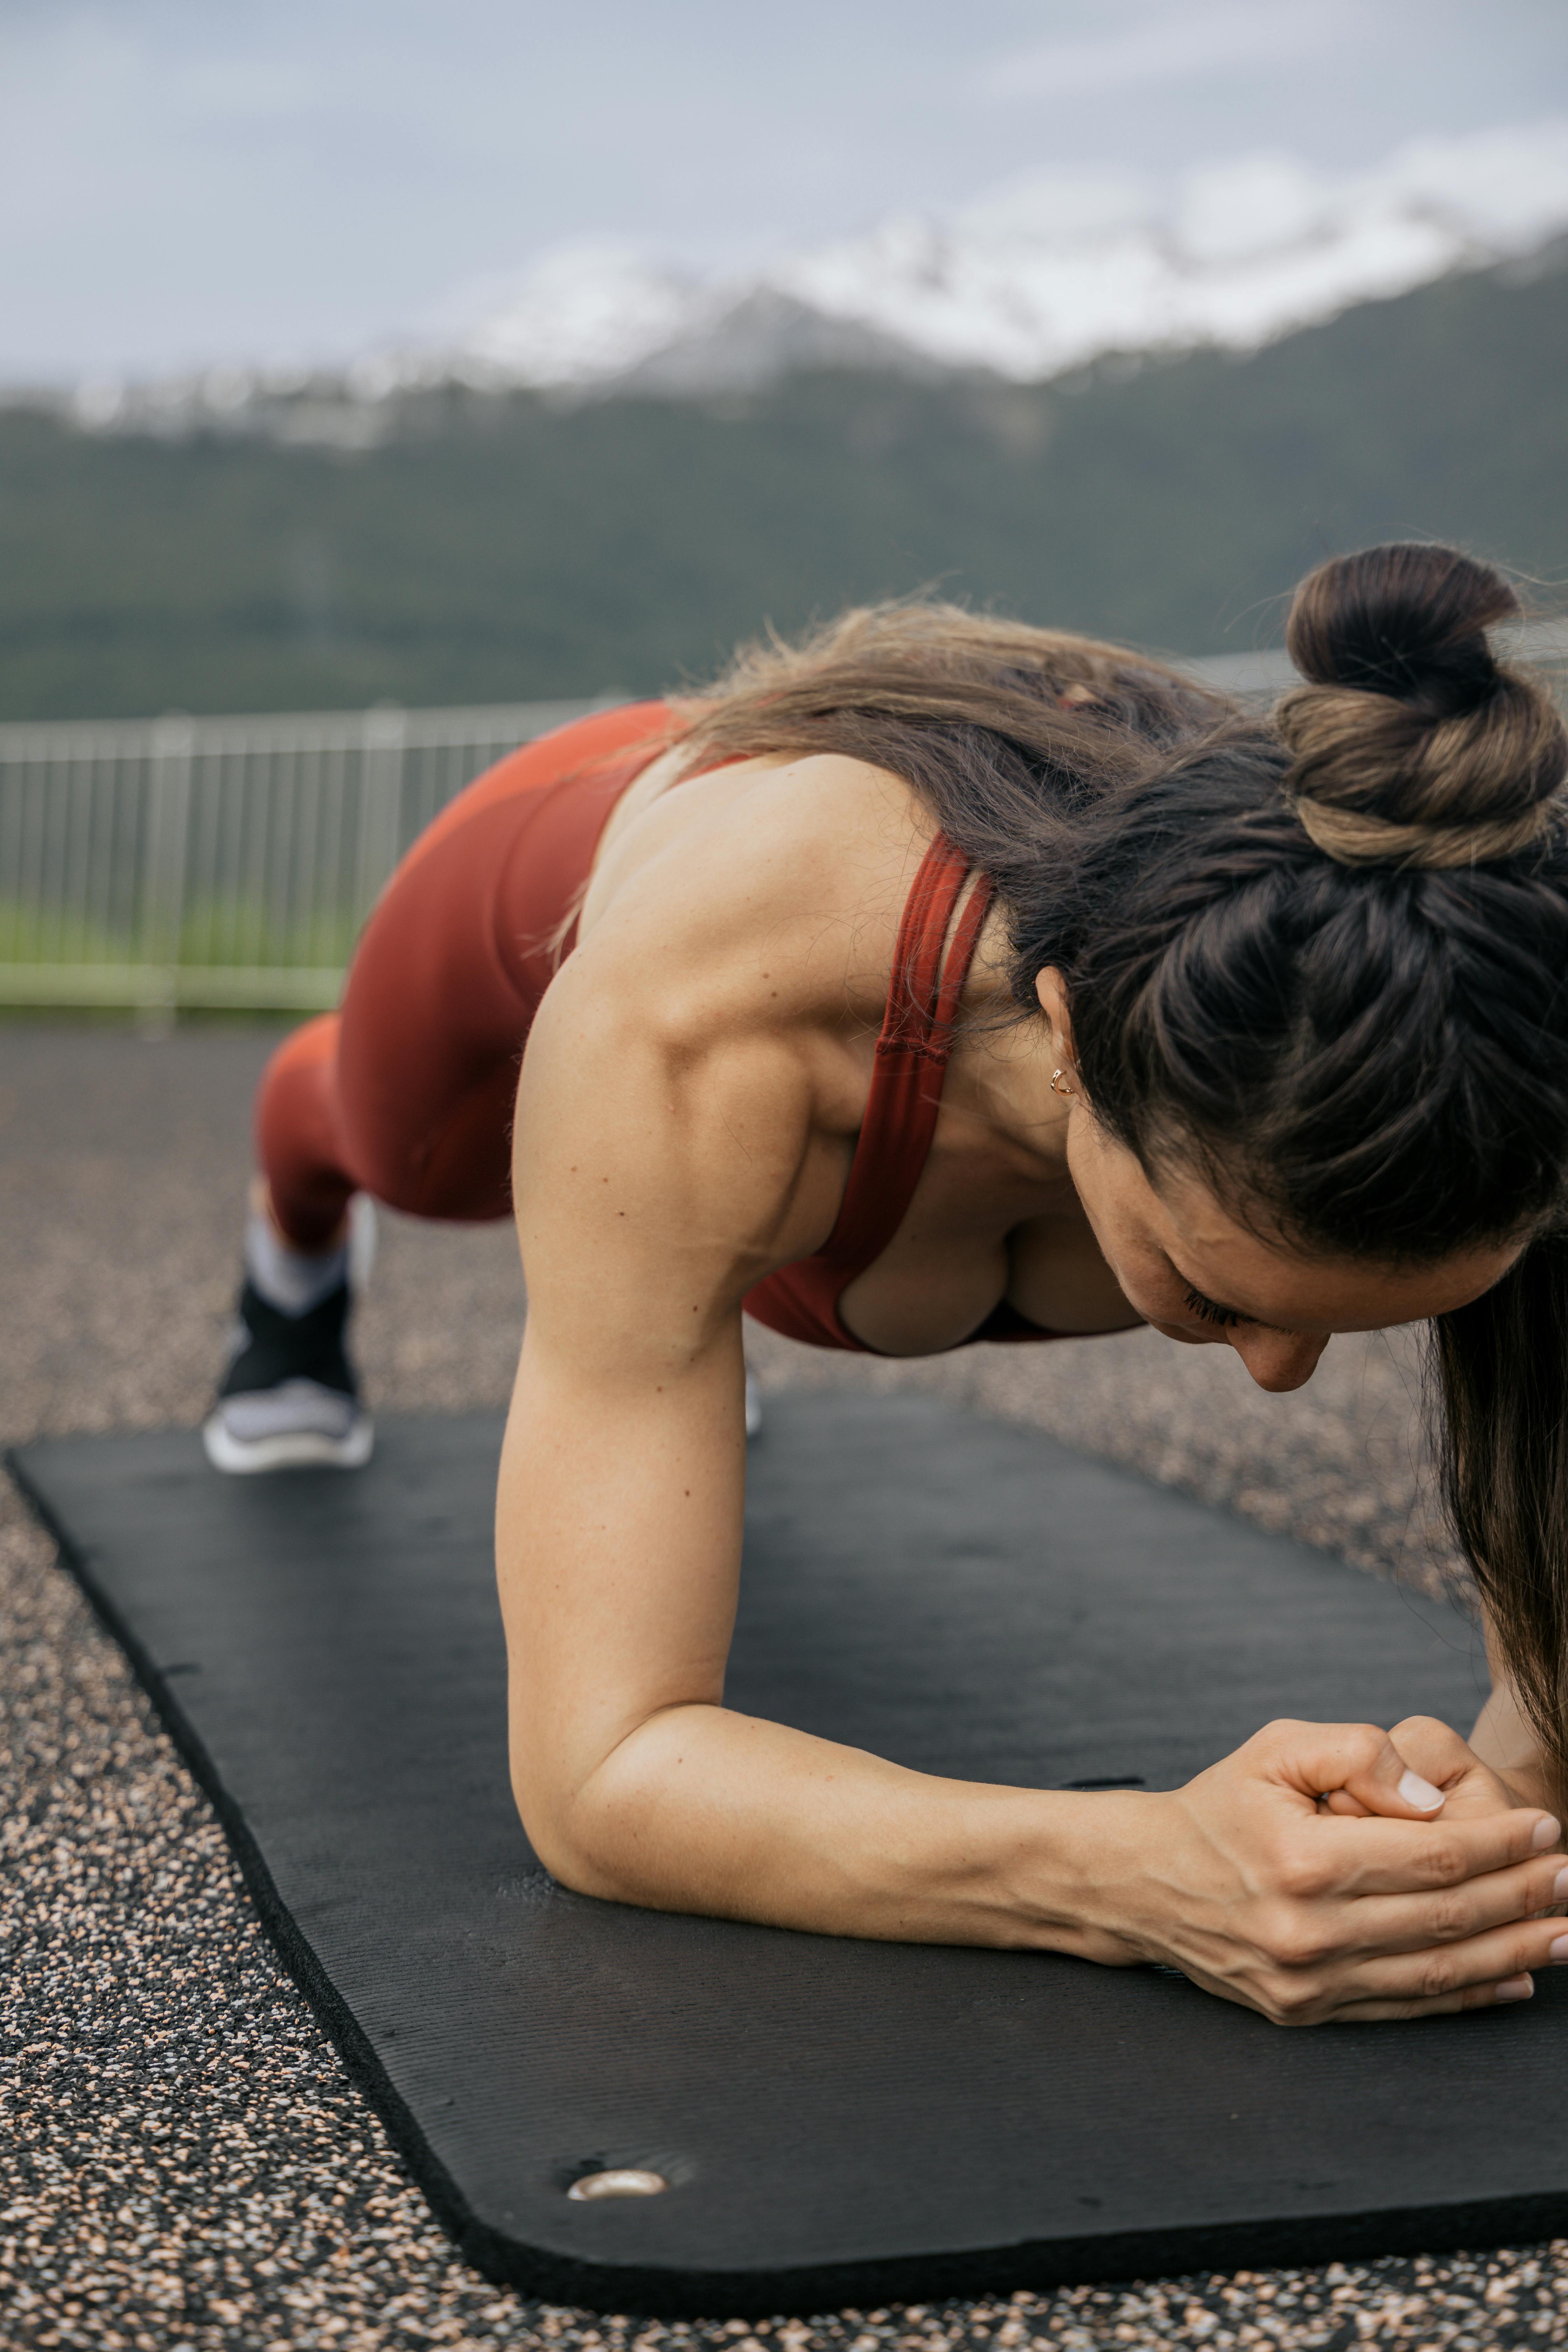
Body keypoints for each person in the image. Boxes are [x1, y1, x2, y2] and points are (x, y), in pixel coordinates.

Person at [206, 541, 1568, 2029]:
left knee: (672, 1316)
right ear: (1070, 1037)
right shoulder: (700, 1022)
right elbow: (600, 1779)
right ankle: (298, 1236)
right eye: (1216, 1291)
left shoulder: (1488, 1043)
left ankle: (681, 1341)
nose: (1279, 1372)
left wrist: (1488, 1819)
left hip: (855, 1091)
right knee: (396, 1149)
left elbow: (1539, 1720)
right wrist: (1141, 1874)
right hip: (577, 854)